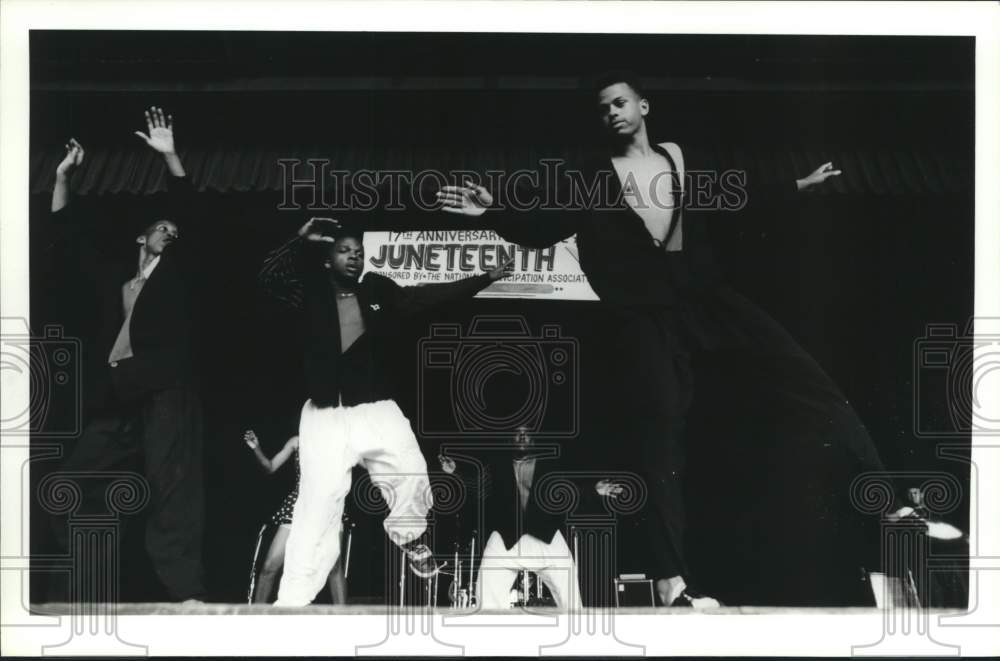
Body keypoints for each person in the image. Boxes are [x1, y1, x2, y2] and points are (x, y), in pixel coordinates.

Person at [437, 72, 904, 607]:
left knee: (804, 375)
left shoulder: (678, 158)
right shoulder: (591, 176)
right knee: (659, 436)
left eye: (620, 102)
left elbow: (735, 196)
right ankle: (671, 581)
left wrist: (798, 187)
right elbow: (543, 225)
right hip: (643, 316)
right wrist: (491, 211)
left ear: (643, 106)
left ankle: (888, 497)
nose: (612, 112)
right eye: (603, 108)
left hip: (705, 298)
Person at [258, 218, 513, 607]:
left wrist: (484, 278)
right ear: (327, 260)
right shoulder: (309, 294)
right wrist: (299, 240)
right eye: (344, 251)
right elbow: (270, 279)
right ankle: (291, 602)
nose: (354, 258)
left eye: (358, 253)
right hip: (325, 415)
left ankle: (411, 538)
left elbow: (427, 296)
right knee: (317, 506)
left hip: (374, 409)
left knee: (410, 470)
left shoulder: (376, 289)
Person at [46, 108, 206, 603]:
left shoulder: (175, 275)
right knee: (66, 486)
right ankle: (77, 590)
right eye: (162, 227)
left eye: (175, 231)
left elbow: (193, 217)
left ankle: (186, 596)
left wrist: (170, 157)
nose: (171, 232)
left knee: (172, 492)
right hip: (117, 393)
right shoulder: (116, 280)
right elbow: (68, 238)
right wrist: (61, 177)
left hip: (164, 391)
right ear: (141, 236)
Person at [438, 426, 584, 610]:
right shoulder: (498, 465)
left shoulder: (549, 465)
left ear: (533, 440)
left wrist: (595, 491)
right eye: (518, 433)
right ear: (510, 440)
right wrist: (455, 472)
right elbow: (478, 485)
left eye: (527, 433)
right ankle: (490, 636)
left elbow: (571, 490)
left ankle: (578, 633)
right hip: (507, 536)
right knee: (486, 593)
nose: (523, 436)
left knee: (569, 589)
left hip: (545, 536)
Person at [243, 429, 347, 604]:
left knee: (334, 568)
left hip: (327, 507)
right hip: (298, 507)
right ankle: (257, 618)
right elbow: (270, 467)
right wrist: (256, 448)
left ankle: (347, 624)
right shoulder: (297, 441)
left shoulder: (339, 440)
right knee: (269, 567)